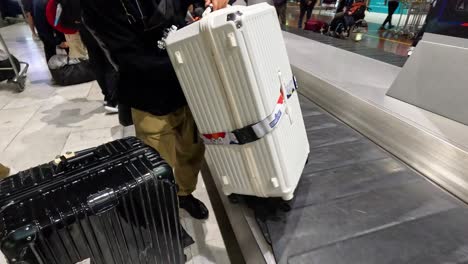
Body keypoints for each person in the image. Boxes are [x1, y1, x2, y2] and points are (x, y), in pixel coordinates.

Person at [80, 0, 229, 220]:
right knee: (158, 163)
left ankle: (184, 194)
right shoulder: (98, 5)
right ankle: (163, 212)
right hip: (147, 91)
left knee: (192, 148)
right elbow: (126, 57)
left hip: (187, 84)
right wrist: (193, 58)